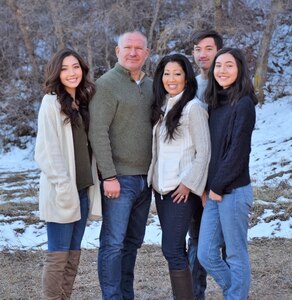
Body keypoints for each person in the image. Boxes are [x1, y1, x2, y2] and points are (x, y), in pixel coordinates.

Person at [88, 31, 152, 300]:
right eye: (128, 47)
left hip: (146, 180)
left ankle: (127, 295)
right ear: (117, 51)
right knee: (113, 244)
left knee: (132, 244)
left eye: (139, 48)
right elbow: (97, 131)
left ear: (147, 53)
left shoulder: (151, 85)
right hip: (120, 180)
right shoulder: (106, 85)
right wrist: (109, 176)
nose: (133, 52)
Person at [35, 48, 102, 299]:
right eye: (64, 68)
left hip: (83, 189)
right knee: (58, 254)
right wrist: (64, 187)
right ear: (56, 73)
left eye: (75, 67)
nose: (71, 73)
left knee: (73, 254)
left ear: (82, 69)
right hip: (63, 191)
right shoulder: (51, 103)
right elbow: (46, 151)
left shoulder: (84, 102)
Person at [147, 53, 211, 299]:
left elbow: (204, 151)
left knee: (172, 248)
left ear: (187, 78)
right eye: (166, 74)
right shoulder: (163, 106)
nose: (171, 79)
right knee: (174, 249)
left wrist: (188, 184)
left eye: (177, 74)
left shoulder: (193, 108)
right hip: (162, 191)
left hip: (181, 190)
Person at [197, 48, 258, 300]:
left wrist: (217, 187)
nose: (222, 70)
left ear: (240, 69)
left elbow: (237, 152)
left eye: (229, 65)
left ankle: (236, 296)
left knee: (235, 253)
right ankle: (236, 292)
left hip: (232, 191)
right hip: (214, 191)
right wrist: (207, 188)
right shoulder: (215, 103)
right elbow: (212, 151)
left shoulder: (244, 104)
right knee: (206, 254)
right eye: (218, 65)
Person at [188, 29, 224, 299]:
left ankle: (233, 291)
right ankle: (194, 294)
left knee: (225, 243)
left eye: (208, 48)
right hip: (197, 175)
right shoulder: (191, 86)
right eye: (198, 48)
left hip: (223, 177)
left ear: (219, 51)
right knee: (197, 240)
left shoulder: (228, 84)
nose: (202, 53)